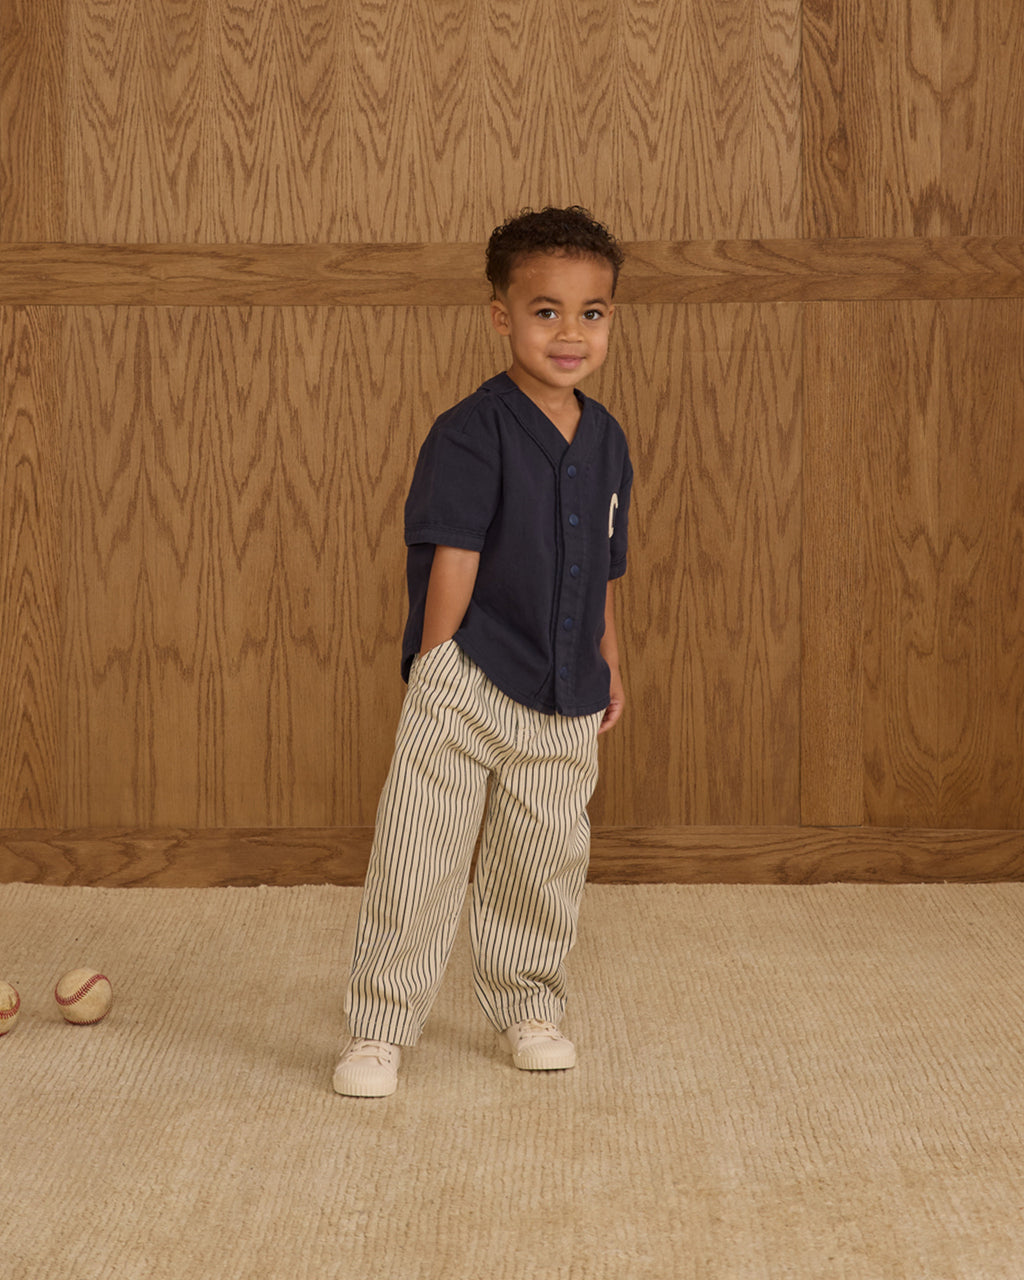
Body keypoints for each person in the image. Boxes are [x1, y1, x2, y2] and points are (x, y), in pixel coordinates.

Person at [334, 206, 633, 1097]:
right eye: (546, 311)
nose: (570, 333)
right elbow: (452, 558)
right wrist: (432, 670)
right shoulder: (471, 430)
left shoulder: (608, 438)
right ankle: (380, 1027)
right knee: (418, 857)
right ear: (502, 316)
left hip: (566, 687)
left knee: (544, 858)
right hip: (468, 676)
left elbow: (604, 567)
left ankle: (527, 1005)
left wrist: (611, 661)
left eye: (592, 312)